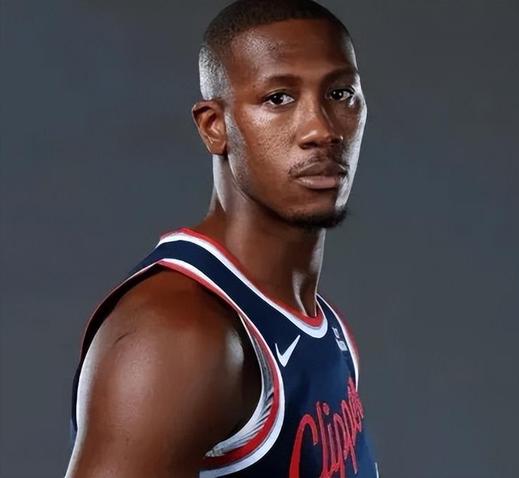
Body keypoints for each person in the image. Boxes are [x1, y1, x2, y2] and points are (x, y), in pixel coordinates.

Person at [64, 0, 378, 477]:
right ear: (215, 127)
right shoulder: (178, 332)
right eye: (279, 98)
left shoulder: (325, 328)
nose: (321, 130)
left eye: (340, 93)